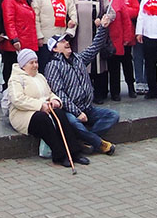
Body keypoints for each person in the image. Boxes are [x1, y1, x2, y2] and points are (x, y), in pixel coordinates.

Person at [43, 20, 118, 156]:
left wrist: (102, 28)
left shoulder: (78, 58)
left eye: (67, 40)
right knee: (74, 123)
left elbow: (95, 47)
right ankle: (100, 144)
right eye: (62, 42)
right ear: (54, 48)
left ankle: (86, 142)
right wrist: (77, 112)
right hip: (69, 111)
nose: (67, 42)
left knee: (112, 115)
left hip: (87, 107)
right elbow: (60, 94)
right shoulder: (53, 66)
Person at [6, 50, 89, 166]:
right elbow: (17, 99)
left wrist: (55, 100)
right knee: (43, 119)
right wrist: (40, 106)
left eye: (36, 62)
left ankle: (74, 152)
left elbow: (49, 93)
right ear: (23, 65)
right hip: (23, 114)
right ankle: (59, 155)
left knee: (60, 114)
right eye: (31, 63)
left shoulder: (40, 76)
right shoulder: (16, 79)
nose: (35, 65)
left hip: (46, 108)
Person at [71, 0, 110, 100]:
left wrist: (105, 18)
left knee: (98, 66)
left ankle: (100, 94)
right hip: (80, 37)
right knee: (83, 65)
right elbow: (70, 13)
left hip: (97, 37)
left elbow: (111, 12)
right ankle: (85, 94)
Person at [32, 0, 77, 69]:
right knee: (47, 66)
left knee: (63, 67)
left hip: (62, 37)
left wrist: (71, 29)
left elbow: (73, 12)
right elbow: (35, 17)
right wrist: (39, 36)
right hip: (46, 39)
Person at [104, 0, 138, 100]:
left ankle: (131, 87)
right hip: (109, 39)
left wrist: (128, 37)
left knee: (127, 64)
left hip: (122, 37)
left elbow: (127, 18)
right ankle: (115, 92)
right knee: (113, 67)